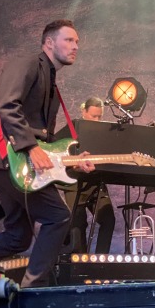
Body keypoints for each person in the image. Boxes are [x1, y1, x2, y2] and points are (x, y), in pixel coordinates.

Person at [0, 19, 95, 287]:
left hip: (13, 160)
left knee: (18, 237)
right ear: (49, 42)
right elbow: (7, 105)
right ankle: (32, 289)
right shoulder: (26, 63)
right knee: (58, 216)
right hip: (4, 156)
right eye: (69, 40)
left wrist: (69, 161)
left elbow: (45, 141)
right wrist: (30, 147)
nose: (75, 46)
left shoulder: (51, 81)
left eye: (77, 42)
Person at [62, 97, 116, 254]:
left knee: (108, 220)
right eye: (93, 116)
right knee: (78, 225)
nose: (97, 120)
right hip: (74, 184)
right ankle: (81, 261)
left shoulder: (103, 134)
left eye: (100, 116)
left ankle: (101, 259)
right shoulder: (71, 131)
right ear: (83, 112)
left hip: (96, 183)